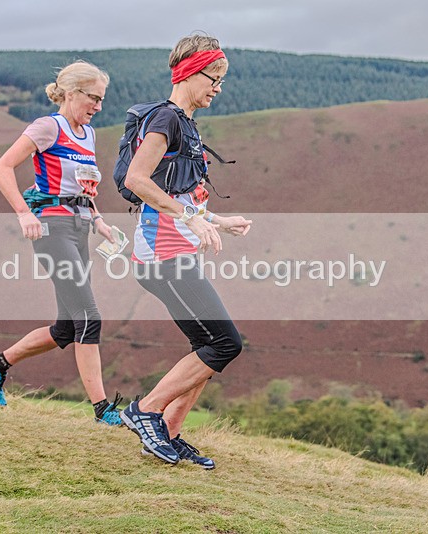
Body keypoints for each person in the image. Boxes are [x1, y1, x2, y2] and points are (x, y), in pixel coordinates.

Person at [119, 33, 253, 468]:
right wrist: (191, 218)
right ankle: (145, 412)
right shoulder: (166, 119)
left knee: (208, 343)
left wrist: (214, 220)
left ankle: (170, 433)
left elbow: (180, 192)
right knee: (224, 343)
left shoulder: (184, 123)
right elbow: (137, 180)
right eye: (214, 77)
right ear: (189, 72)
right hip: (161, 255)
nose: (218, 87)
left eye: (222, 80)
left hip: (176, 249)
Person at [0, 60, 123, 426]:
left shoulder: (88, 134)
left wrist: (100, 221)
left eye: (102, 100)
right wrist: (24, 213)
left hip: (80, 228)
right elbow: (2, 167)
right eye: (93, 98)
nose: (98, 107)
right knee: (89, 318)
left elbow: (85, 187)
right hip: (51, 229)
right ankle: (103, 409)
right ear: (71, 93)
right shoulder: (48, 127)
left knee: (67, 328)